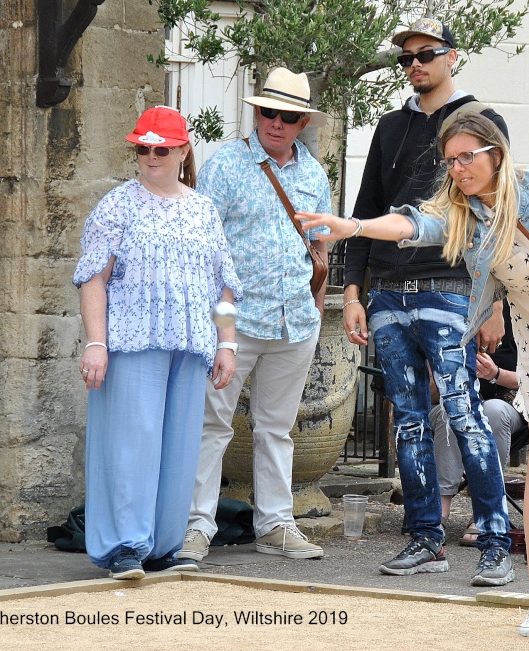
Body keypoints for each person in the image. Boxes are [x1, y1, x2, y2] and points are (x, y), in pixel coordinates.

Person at [299, 112, 529, 641]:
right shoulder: (462, 215)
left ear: (494, 153)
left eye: (466, 156)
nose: (457, 169)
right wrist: (353, 227)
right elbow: (412, 224)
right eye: (450, 160)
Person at [340, 16, 514, 586]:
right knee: (409, 423)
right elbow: (366, 209)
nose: (415, 64)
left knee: (464, 414)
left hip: (451, 288)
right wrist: (352, 292)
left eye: (427, 53)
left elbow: (497, 212)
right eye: (406, 57)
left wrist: (494, 302)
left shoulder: (482, 123)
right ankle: (424, 539)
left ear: (452, 57)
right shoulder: (390, 127)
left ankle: (494, 542)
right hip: (389, 293)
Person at [73, 106, 242, 579]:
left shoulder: (204, 209)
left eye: (161, 148)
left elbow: (223, 286)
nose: (151, 156)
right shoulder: (118, 203)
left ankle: (163, 545)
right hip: (132, 341)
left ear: (183, 150)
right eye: (143, 148)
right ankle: (126, 545)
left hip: (190, 345)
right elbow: (93, 278)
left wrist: (226, 344)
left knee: (179, 447)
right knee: (133, 443)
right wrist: (96, 343)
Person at [178, 68, 330, 563]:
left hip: (296, 323)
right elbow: (202, 248)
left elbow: (320, 247)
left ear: (303, 121)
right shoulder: (225, 166)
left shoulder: (314, 174)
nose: (277, 123)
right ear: (256, 111)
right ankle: (196, 526)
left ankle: (275, 525)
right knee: (211, 426)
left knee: (276, 429)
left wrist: (318, 302)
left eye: (288, 116)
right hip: (236, 322)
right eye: (269, 112)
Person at [432, 303, 524, 546]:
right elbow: (429, 390)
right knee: (451, 409)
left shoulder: (524, 313)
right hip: (456, 398)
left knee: (491, 410)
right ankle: (439, 512)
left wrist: (495, 374)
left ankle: (485, 510)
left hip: (511, 404)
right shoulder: (453, 308)